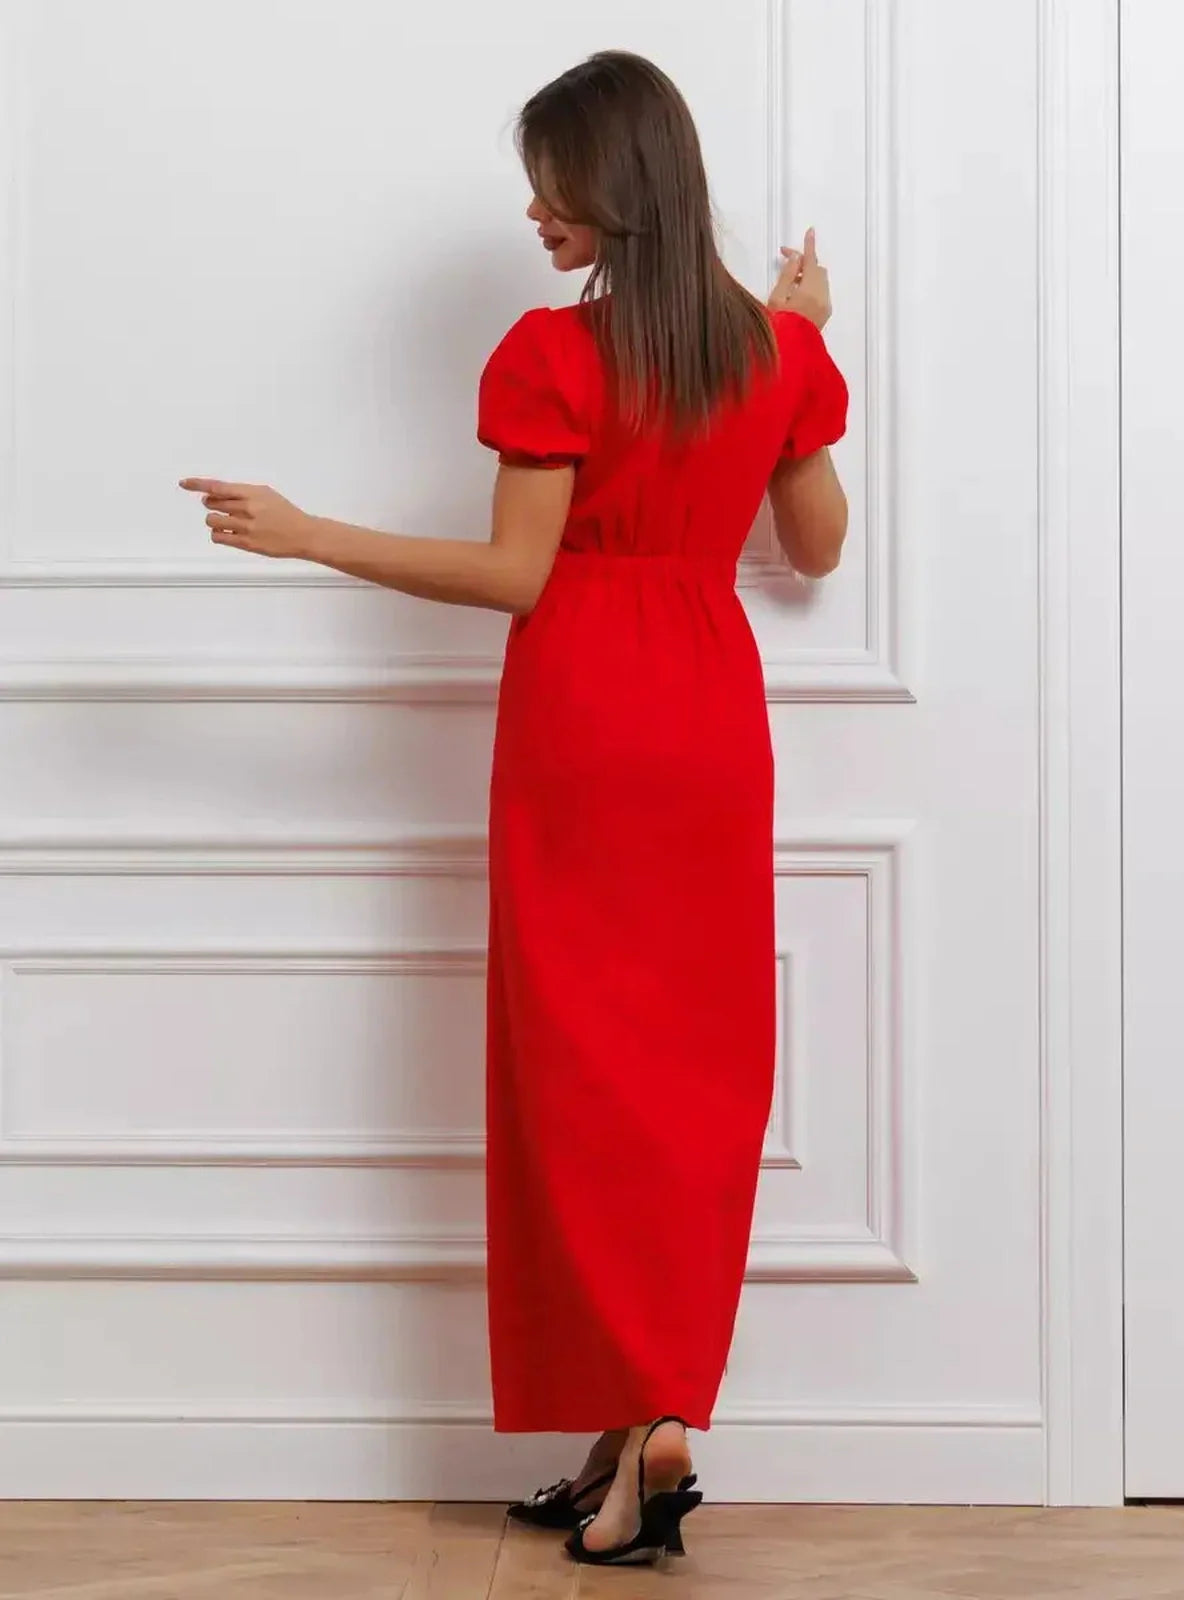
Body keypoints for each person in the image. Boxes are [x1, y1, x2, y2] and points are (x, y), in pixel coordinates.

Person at [181, 48, 848, 1568]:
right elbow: (811, 551)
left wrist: (308, 534)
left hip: (586, 715)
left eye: (550, 182)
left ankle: (650, 1420)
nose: (536, 212)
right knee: (691, 1072)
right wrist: (796, 351)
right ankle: (637, 1424)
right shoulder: (778, 351)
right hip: (709, 718)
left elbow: (517, 577)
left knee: (581, 1078)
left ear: (609, 185)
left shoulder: (553, 354)